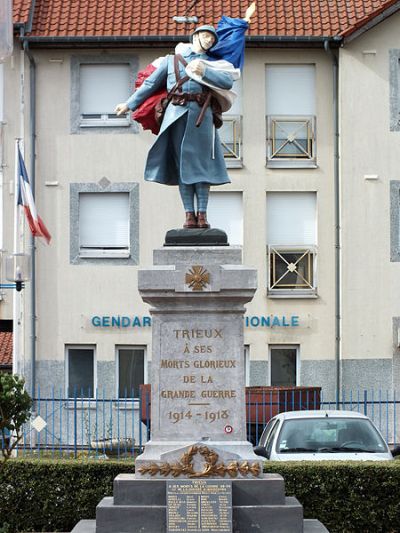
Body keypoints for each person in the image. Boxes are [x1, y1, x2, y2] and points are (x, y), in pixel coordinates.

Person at [115, 4, 255, 229]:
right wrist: (129, 104)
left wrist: (205, 72)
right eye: (206, 36)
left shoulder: (212, 63)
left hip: (202, 116)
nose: (209, 41)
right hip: (176, 115)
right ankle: (189, 214)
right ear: (196, 36)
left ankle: (203, 214)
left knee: (203, 168)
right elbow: (150, 85)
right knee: (183, 167)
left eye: (212, 39)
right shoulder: (171, 60)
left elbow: (228, 82)